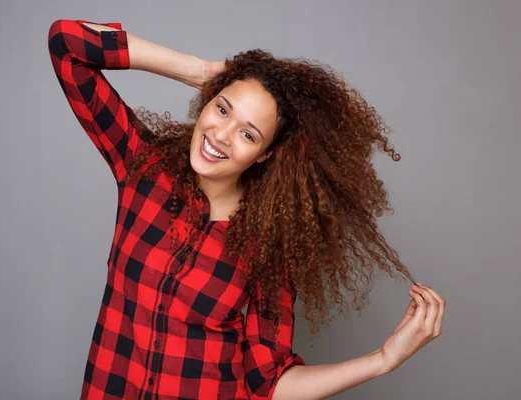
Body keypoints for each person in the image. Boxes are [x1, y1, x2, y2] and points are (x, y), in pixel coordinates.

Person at [47, 18, 446, 400]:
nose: (220, 135)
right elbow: (67, 43)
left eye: (247, 133)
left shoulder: (266, 248)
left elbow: (268, 385)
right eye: (222, 109)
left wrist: (382, 361)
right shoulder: (144, 171)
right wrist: (203, 71)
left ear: (265, 154)